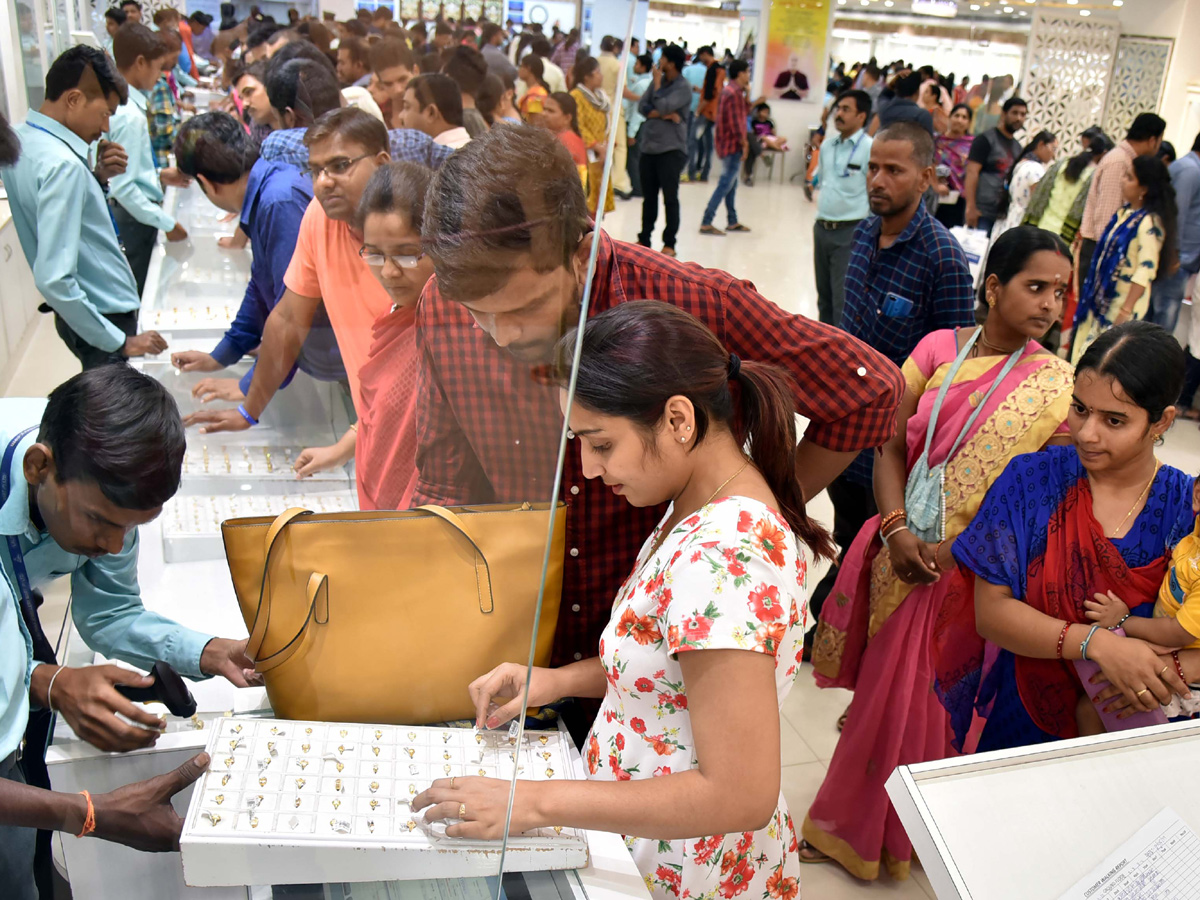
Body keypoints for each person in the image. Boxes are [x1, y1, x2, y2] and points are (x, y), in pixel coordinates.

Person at [409, 126, 904, 730]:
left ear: (580, 253)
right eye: (478, 315)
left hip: (658, 670)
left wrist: (753, 505)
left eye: (522, 308)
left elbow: (870, 389)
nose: (502, 335)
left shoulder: (682, 301)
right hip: (518, 654)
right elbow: (444, 483)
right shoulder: (439, 303)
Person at [415, 301, 829, 897]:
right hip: (645, 831)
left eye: (601, 444)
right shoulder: (698, 504)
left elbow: (739, 793)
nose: (586, 467)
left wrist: (531, 803)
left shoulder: (725, 560)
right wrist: (554, 681)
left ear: (678, 420)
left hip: (687, 862)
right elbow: (668, 668)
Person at [803, 227, 1075, 879]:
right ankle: (854, 829)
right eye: (1035, 287)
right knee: (881, 699)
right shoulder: (934, 350)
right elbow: (888, 443)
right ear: (993, 287)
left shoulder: (1055, 386)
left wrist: (960, 550)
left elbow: (1043, 500)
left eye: (1060, 292)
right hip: (904, 551)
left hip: (974, 573)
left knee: (928, 704)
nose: (1049, 304)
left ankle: (907, 839)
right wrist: (895, 530)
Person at [948, 321, 1194, 752]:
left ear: (1161, 422)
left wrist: (1165, 666)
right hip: (1023, 716)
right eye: (1080, 408)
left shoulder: (1186, 507)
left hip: (1139, 725)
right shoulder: (1031, 480)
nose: (1086, 433)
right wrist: (1097, 645)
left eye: (1114, 420)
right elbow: (992, 614)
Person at [806, 122, 976, 640]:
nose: (878, 180)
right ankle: (836, 628)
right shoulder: (861, 233)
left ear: (925, 177)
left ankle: (850, 649)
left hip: (891, 447)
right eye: (872, 168)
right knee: (846, 532)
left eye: (894, 171)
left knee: (876, 549)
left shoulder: (941, 258)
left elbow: (954, 369)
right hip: (841, 425)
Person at [182, 108, 394, 470]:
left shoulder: (411, 232)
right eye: (315, 170)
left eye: (340, 165)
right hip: (371, 420)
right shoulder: (319, 217)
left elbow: (412, 366)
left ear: (382, 163)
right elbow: (286, 317)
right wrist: (250, 408)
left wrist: (352, 440)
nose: (324, 181)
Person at [0, 46, 167, 370]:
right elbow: (54, 279)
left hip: (76, 314)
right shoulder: (64, 166)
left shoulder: (24, 140)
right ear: (74, 100)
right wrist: (120, 341)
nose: (106, 128)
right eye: (104, 114)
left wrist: (97, 180)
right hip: (101, 314)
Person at [169, 112, 344, 408]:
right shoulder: (268, 188)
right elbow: (262, 285)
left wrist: (251, 387)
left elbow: (293, 312)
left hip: (338, 355)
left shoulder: (278, 202)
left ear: (206, 183)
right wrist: (222, 355)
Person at [294, 162, 438, 508]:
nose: (388, 272)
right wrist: (342, 450)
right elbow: (381, 413)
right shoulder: (395, 314)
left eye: (406, 254)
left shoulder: (453, 332)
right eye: (374, 254)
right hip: (377, 512)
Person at [1070, 155, 1177, 363]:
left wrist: (1125, 311)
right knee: (1083, 353)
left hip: (1120, 307)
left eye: (1129, 178)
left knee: (1102, 360)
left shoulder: (1149, 223)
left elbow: (1145, 271)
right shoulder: (1124, 214)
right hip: (1100, 301)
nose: (1122, 181)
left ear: (1143, 189)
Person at [108, 23, 189, 295]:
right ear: (140, 63)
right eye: (157, 68)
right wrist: (167, 223)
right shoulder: (129, 116)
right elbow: (123, 187)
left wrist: (158, 175)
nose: (159, 76)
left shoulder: (125, 107)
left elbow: (127, 171)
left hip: (132, 213)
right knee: (140, 290)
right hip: (133, 218)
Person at [1078, 113, 1166, 285]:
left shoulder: (1127, 160)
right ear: (1152, 140)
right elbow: (1106, 219)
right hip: (1101, 251)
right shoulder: (1119, 162)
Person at [813, 90, 872, 326]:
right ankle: (823, 350)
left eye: (846, 109)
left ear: (861, 116)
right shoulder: (828, 146)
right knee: (824, 299)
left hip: (850, 231)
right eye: (838, 109)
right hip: (822, 228)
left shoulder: (870, 148)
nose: (839, 114)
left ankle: (842, 357)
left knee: (843, 301)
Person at [1150, 132, 1200, 333]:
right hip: (1176, 259)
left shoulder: (1189, 167)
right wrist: (1174, 252)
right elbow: (1176, 215)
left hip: (1177, 257)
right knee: (1162, 322)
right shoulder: (1191, 171)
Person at [699, 59, 751, 239]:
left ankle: (732, 220)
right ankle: (707, 221)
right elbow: (737, 123)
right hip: (732, 144)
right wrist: (744, 143)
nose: (748, 76)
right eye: (747, 72)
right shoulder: (734, 93)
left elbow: (743, 113)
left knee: (731, 184)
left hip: (726, 143)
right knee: (725, 183)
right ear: (741, 73)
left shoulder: (731, 91)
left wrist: (748, 95)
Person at [1023, 138, 1109, 244]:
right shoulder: (1094, 177)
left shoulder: (1062, 164)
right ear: (1104, 154)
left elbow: (1039, 194)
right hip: (1062, 237)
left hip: (1040, 226)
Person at [964, 96, 1027, 232]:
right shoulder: (985, 140)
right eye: (1015, 113)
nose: (1019, 118)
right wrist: (971, 207)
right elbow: (972, 172)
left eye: (1023, 114)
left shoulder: (1018, 148)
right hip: (981, 212)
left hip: (1002, 215)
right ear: (1004, 114)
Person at [572, 56, 617, 218]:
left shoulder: (601, 97)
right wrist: (597, 146)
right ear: (587, 76)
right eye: (597, 72)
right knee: (587, 196)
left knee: (599, 196)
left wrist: (608, 143)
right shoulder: (577, 96)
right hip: (587, 154)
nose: (601, 75)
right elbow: (579, 125)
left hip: (602, 154)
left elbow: (607, 122)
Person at [992, 130, 1057, 241]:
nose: (1054, 155)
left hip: (1008, 221)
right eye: (1053, 149)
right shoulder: (1035, 169)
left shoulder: (1022, 163)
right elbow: (1037, 203)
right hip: (1020, 224)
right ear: (1041, 144)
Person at [596, 36, 632, 200]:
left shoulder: (595, 62)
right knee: (619, 147)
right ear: (616, 49)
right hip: (614, 110)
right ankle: (618, 183)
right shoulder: (618, 65)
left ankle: (600, 182)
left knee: (598, 147)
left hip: (596, 109)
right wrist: (640, 97)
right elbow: (622, 91)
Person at [401, 73, 471, 149]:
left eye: (407, 107)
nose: (400, 116)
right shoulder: (479, 150)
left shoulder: (442, 157)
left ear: (431, 113)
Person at [934, 103, 974, 228]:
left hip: (959, 199)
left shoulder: (972, 144)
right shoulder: (937, 141)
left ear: (968, 123)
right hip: (935, 195)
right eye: (956, 115)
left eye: (964, 117)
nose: (960, 120)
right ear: (950, 117)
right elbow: (928, 164)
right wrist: (936, 184)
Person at [689, 53, 724, 183]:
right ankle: (704, 174)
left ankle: (691, 172)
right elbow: (715, 92)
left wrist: (698, 111)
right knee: (708, 142)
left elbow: (709, 95)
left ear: (705, 54)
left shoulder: (712, 70)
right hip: (714, 112)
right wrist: (700, 90)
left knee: (692, 139)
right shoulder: (721, 70)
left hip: (706, 111)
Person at [624, 53, 653, 197]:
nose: (634, 67)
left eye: (636, 64)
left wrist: (631, 133)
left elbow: (637, 112)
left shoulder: (641, 85)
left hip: (637, 125)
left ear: (643, 66)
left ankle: (638, 188)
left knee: (633, 159)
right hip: (645, 125)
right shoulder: (649, 82)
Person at [542, 91, 588, 184]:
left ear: (567, 118)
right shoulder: (558, 137)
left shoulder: (567, 140)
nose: (544, 114)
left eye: (551, 111)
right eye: (544, 109)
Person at [369, 38, 417, 127]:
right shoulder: (375, 116)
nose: (397, 90)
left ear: (415, 71)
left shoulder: (435, 111)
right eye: (388, 84)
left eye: (402, 79)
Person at [679, 46, 709, 184]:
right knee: (702, 142)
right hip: (705, 111)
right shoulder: (709, 71)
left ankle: (688, 171)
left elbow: (681, 87)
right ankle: (700, 170)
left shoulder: (687, 70)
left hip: (689, 109)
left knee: (688, 141)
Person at [871, 71, 933, 137]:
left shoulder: (884, 108)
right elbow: (928, 144)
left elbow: (884, 95)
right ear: (917, 92)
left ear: (896, 89)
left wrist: (896, 78)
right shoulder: (922, 116)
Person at [517, 54, 550, 125]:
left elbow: (535, 124)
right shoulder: (534, 91)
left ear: (528, 68)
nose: (519, 70)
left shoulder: (536, 95)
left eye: (521, 66)